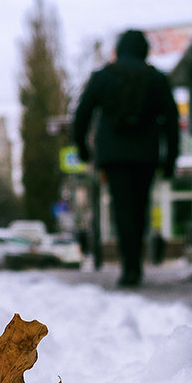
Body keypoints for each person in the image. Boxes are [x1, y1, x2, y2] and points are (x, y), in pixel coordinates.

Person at [73, 29, 180, 287]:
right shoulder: (156, 78)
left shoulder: (103, 77)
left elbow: (82, 114)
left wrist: (83, 150)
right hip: (146, 154)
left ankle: (129, 267)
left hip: (114, 155)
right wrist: (170, 160)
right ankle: (135, 265)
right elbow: (172, 121)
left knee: (122, 208)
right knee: (140, 207)